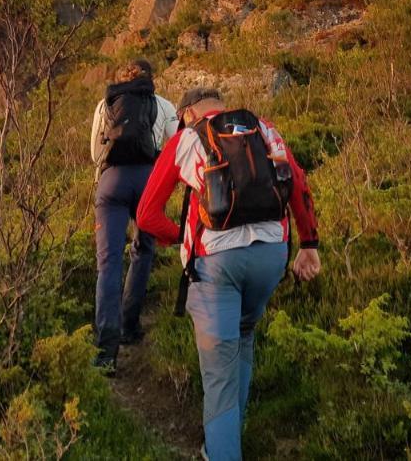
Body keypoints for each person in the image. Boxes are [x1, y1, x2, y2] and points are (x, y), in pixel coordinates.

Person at [137, 86, 320, 461]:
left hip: (216, 263)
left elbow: (146, 215)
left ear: (188, 113)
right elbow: (298, 184)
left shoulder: (187, 138)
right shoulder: (263, 129)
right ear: (221, 106)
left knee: (219, 374)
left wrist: (178, 239)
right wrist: (309, 245)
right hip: (271, 257)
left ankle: (219, 451)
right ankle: (232, 435)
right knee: (244, 336)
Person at [90, 58, 178, 373]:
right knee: (143, 251)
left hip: (111, 182)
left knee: (108, 263)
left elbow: (94, 153)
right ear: (151, 78)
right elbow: (175, 149)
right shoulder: (164, 105)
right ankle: (130, 326)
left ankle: (106, 352)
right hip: (149, 183)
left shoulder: (107, 104)